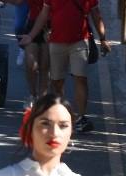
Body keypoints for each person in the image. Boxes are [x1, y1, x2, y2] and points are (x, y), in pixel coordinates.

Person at [20, 0, 110, 133]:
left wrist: (103, 39)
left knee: (80, 78)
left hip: (79, 41)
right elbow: (44, 14)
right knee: (57, 81)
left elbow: (96, 14)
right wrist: (31, 36)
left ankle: (81, 117)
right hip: (56, 41)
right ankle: (62, 115)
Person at [10, 0, 50, 103]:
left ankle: (42, 100)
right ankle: (33, 95)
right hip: (33, 24)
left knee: (45, 66)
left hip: (50, 25)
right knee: (30, 64)